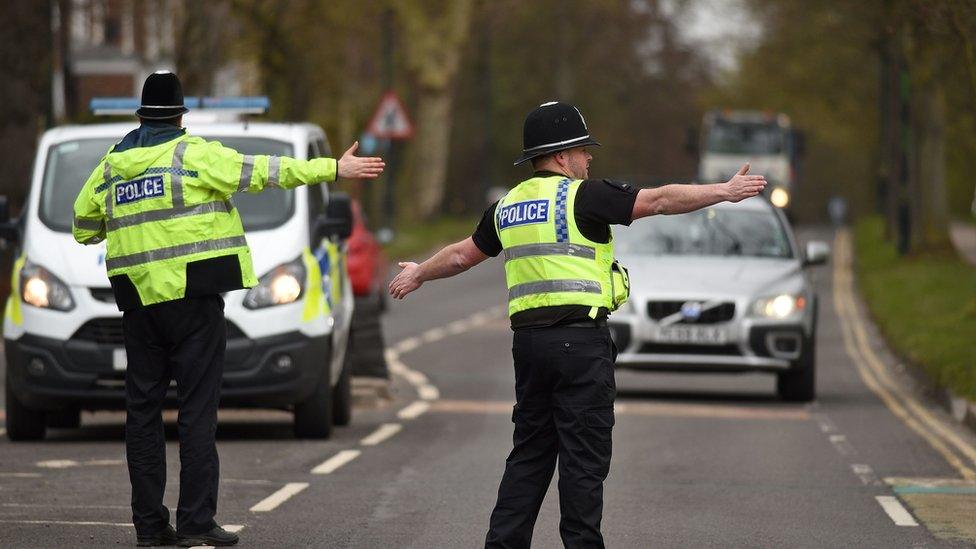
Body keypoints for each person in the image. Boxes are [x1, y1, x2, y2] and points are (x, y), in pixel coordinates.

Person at [388, 101, 766, 548]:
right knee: (583, 466)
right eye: (584, 150)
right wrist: (723, 191)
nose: (589, 159)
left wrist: (419, 273)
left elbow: (460, 255)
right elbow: (661, 200)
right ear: (562, 155)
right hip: (580, 348)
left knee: (528, 458)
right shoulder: (581, 196)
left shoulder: (507, 206)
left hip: (529, 349)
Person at [72, 71, 384, 547]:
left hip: (139, 307)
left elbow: (82, 223)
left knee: (142, 415)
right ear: (180, 114)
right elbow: (265, 172)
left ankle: (150, 528)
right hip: (194, 304)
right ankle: (196, 520)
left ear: (141, 115)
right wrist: (332, 170)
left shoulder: (112, 167)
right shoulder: (194, 154)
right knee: (197, 412)